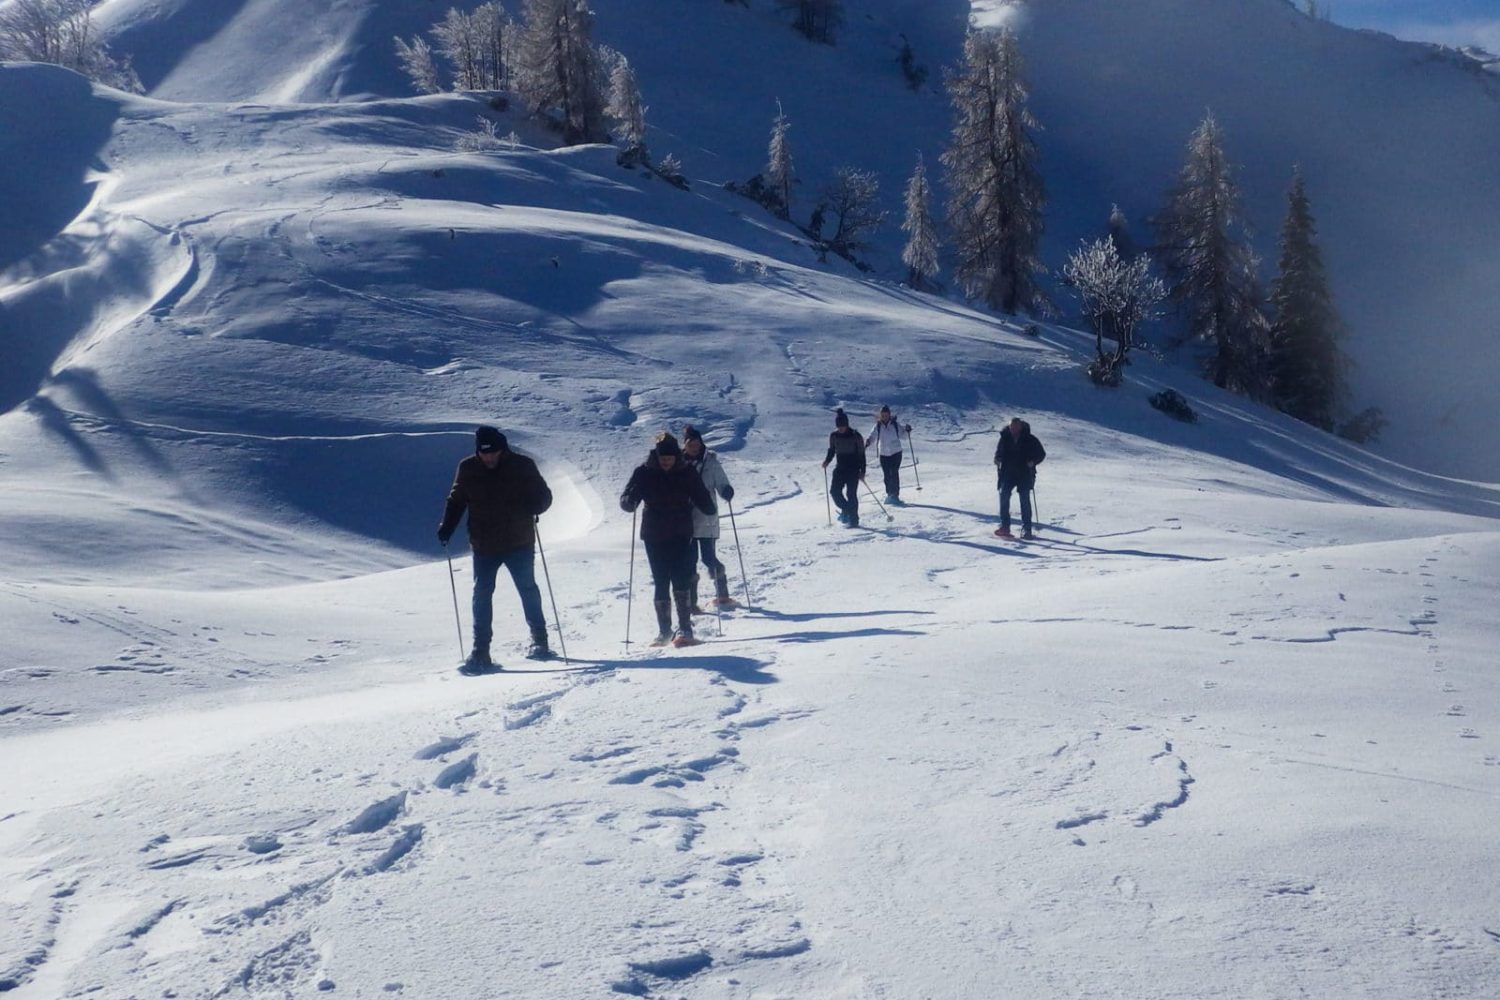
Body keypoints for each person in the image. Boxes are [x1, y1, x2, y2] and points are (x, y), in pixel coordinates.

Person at [438, 426, 554, 672]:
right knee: (481, 594)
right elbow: (457, 500)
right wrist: (447, 527)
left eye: (493, 453)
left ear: (502, 449)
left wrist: (537, 505)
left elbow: (544, 495)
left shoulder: (523, 465)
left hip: (519, 541)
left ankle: (540, 641)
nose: (488, 457)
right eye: (483, 453)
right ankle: (481, 650)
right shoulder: (468, 468)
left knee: (527, 589)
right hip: (484, 543)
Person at [620, 432, 717, 647]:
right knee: (661, 579)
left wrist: (707, 506)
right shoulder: (644, 472)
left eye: (669, 459)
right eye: (663, 459)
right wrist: (628, 501)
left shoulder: (686, 472)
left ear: (676, 457)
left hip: (681, 532)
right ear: (656, 456)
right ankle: (664, 630)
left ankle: (685, 628)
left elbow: (700, 493)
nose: (666, 463)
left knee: (681, 578)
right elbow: (630, 494)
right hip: (654, 533)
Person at [681, 425, 737, 611]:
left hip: (706, 519)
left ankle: (722, 593)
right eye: (691, 444)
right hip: (685, 521)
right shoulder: (679, 463)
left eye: (697, 443)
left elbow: (721, 482)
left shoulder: (711, 462)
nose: (694, 447)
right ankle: (691, 603)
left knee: (708, 558)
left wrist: (726, 491)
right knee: (689, 561)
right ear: (685, 445)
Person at [993, 417, 1045, 539]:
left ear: (1021, 427)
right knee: (1004, 496)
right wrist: (997, 458)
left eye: (1016, 427)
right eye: (1012, 427)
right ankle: (1005, 527)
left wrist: (1033, 462)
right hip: (1007, 473)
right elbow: (999, 452)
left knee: (1024, 500)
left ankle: (1027, 529)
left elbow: (1041, 454)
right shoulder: (1005, 438)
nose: (1013, 430)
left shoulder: (1030, 439)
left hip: (1024, 473)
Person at [822, 408, 866, 527]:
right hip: (840, 468)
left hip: (853, 469)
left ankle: (854, 520)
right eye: (839, 426)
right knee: (834, 491)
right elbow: (832, 450)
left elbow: (861, 454)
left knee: (851, 494)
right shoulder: (834, 436)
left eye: (843, 425)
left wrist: (863, 471)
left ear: (847, 424)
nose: (841, 428)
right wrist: (827, 461)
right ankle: (846, 509)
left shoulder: (855, 436)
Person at [865, 405, 911, 506]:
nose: (884, 417)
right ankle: (889, 494)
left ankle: (895, 495)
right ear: (880, 416)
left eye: (886, 415)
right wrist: (868, 442)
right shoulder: (878, 426)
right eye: (882, 415)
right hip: (883, 453)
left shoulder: (894, 425)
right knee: (886, 474)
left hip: (896, 452)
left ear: (889, 415)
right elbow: (872, 436)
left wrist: (907, 431)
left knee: (894, 472)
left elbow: (903, 436)